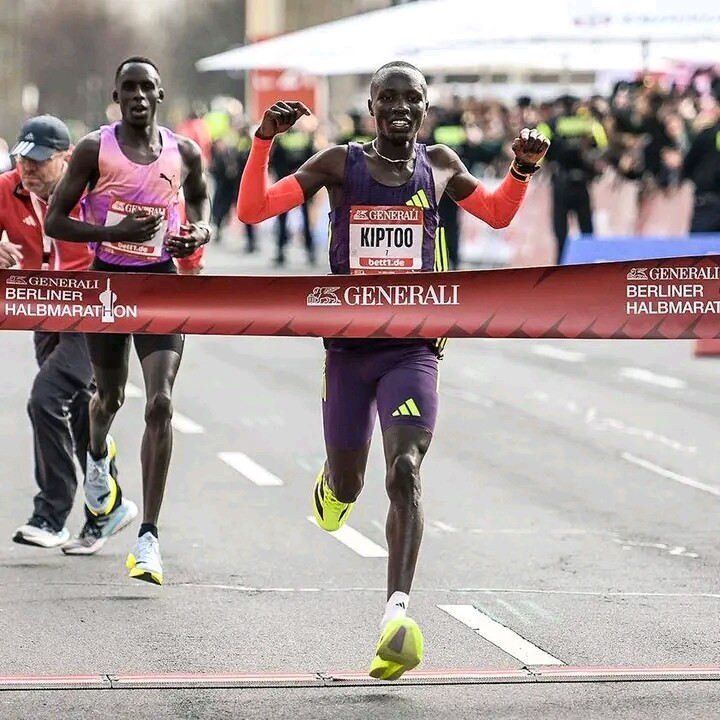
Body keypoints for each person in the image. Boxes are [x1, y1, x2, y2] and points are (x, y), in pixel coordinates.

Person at [237, 61, 549, 680]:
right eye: (389, 98)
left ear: (426, 108)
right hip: (349, 351)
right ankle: (333, 487)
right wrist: (263, 140)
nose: (401, 108)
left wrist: (520, 170)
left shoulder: (440, 165)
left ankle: (396, 615)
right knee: (351, 483)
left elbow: (496, 214)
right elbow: (252, 210)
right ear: (372, 107)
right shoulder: (339, 164)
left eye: (412, 99)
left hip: (413, 347)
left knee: (404, 469)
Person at [45, 57, 211, 586]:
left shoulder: (184, 151)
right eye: (128, 88)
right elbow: (55, 220)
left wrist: (199, 233)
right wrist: (112, 233)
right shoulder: (95, 148)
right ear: (116, 97)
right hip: (108, 285)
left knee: (160, 402)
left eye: (146, 87)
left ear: (160, 94)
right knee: (110, 398)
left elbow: (201, 203)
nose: (138, 95)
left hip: (160, 283)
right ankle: (98, 457)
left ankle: (149, 537)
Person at [0, 114, 138, 554]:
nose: (28, 169)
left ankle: (51, 514)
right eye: (23, 159)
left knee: (46, 398)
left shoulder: (94, 192)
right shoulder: (8, 189)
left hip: (93, 315)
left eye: (40, 160)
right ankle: (107, 509)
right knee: (80, 409)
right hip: (42, 315)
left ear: (67, 157)